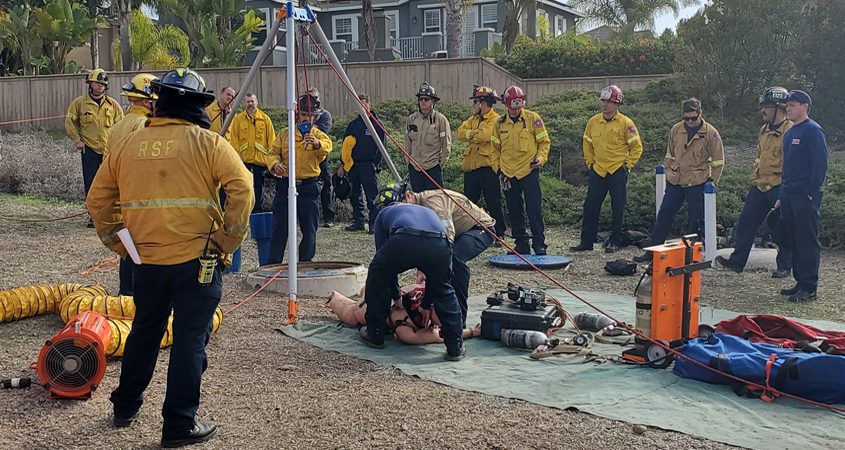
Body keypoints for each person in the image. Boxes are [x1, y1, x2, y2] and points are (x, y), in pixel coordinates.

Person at [86, 68, 254, 448]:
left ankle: (125, 406)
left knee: (145, 332)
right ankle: (179, 425)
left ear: (158, 103)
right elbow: (243, 188)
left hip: (145, 262)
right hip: (199, 261)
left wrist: (120, 243)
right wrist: (226, 240)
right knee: (190, 341)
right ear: (197, 105)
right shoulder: (208, 143)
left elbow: (97, 201)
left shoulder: (127, 146)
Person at [360, 182, 465, 361]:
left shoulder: (384, 215)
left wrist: (396, 296)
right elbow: (434, 278)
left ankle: (376, 334)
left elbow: (384, 266)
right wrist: (426, 304)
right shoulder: (425, 210)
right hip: (440, 242)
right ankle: (455, 346)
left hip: (405, 238)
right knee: (444, 290)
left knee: (377, 276)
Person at [633, 98, 724, 262]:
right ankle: (652, 253)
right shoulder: (676, 129)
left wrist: (713, 181)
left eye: (693, 118)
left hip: (697, 181)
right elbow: (669, 154)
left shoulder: (711, 133)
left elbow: (718, 161)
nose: (690, 121)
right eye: (686, 118)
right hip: (676, 180)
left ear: (700, 114)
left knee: (694, 221)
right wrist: (668, 171)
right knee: (664, 214)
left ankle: (690, 257)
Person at [716, 88, 792, 277]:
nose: (763, 111)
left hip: (778, 186)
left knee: (782, 227)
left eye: (766, 106)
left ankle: (784, 266)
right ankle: (737, 262)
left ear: (778, 107)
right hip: (759, 185)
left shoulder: (790, 131)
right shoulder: (764, 130)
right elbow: (760, 157)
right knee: (746, 223)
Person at [404, 188, 495, 328]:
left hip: (480, 228)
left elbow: (446, 240)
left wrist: (427, 301)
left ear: (409, 195)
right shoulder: (417, 211)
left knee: (455, 260)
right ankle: (444, 309)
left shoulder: (433, 202)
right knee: (440, 264)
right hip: (460, 232)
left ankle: (459, 321)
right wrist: (422, 268)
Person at [103, 73, 160, 296]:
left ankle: (125, 296)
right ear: (148, 100)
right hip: (145, 198)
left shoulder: (117, 127)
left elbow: (106, 167)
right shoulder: (147, 126)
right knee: (146, 252)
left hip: (122, 196)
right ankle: (141, 299)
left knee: (128, 249)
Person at [571, 85, 643, 253]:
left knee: (618, 207)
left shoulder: (626, 123)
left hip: (617, 170)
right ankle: (586, 242)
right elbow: (587, 144)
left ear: (617, 104)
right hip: (598, 170)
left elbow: (637, 147)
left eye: (609, 102)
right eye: (603, 101)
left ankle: (615, 241)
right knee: (590, 206)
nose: (605, 105)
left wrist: (627, 165)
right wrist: (590, 163)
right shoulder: (593, 122)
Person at [266, 94, 333, 264]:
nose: (307, 118)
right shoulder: (285, 133)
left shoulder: (318, 135)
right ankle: (273, 265)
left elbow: (326, 149)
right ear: (297, 114)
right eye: (304, 114)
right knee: (279, 228)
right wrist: (275, 165)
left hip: (309, 187)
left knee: (309, 229)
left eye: (310, 115)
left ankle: (305, 263)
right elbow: (272, 153)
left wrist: (316, 143)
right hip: (285, 186)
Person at [776, 90, 828, 303]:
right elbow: (786, 168)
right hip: (789, 195)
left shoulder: (813, 131)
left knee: (807, 241)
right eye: (787, 105)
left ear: (805, 106)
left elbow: (820, 165)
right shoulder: (790, 133)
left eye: (793, 105)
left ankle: (809, 287)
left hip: (804, 196)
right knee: (794, 240)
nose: (788, 108)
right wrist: (781, 195)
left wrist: (810, 192)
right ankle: (800, 282)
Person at [493, 85, 551, 255]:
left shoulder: (533, 119)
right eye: (513, 106)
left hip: (529, 171)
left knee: (534, 209)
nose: (516, 110)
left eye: (519, 106)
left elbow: (544, 142)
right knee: (514, 210)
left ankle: (539, 244)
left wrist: (541, 159)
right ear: (506, 105)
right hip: (508, 174)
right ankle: (521, 244)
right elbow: (494, 149)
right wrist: (498, 170)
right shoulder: (499, 123)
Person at [65, 68, 125, 226]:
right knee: (91, 184)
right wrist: (77, 140)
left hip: (109, 150)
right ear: (89, 84)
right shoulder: (78, 104)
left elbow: (122, 125)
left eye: (102, 84)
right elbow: (70, 123)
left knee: (111, 184)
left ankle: (113, 215)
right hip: (89, 149)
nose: (100, 86)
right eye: (97, 83)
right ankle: (93, 216)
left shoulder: (113, 105)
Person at [326, 285, 481, 344]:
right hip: (369, 309)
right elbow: (436, 336)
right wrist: (470, 332)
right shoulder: (406, 323)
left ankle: (365, 289)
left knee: (369, 290)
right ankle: (334, 297)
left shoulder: (431, 293)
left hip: (385, 293)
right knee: (353, 316)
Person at [457, 85, 506, 243]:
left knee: (493, 201)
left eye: (476, 101)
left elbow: (484, 135)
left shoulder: (495, 119)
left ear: (483, 102)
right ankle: (470, 230)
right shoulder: (472, 119)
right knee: (469, 203)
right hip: (471, 168)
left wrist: (471, 134)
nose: (474, 105)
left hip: (487, 167)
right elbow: (460, 133)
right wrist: (473, 134)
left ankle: (499, 233)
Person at [338, 94, 386, 233]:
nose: (363, 107)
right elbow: (345, 145)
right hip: (354, 165)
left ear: (369, 105)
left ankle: (373, 224)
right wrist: (343, 164)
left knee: (372, 196)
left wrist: (376, 164)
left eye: (365, 104)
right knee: (355, 194)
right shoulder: (353, 125)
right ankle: (358, 222)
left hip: (368, 165)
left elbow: (383, 146)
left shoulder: (376, 124)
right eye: (360, 105)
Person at [230, 93, 276, 213]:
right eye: (248, 102)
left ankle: (257, 210)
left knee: (258, 187)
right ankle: (244, 209)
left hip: (260, 161)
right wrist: (237, 157)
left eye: (252, 101)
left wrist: (271, 160)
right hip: (244, 160)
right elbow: (234, 139)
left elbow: (272, 141)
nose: (250, 104)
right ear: (245, 103)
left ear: (257, 102)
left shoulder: (265, 119)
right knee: (243, 186)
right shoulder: (238, 119)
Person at [405, 83, 452, 192]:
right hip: (415, 169)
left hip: (433, 169)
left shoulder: (441, 120)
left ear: (433, 101)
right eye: (421, 99)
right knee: (417, 204)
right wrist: (409, 162)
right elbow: (407, 144)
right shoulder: (411, 119)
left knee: (434, 203)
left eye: (426, 99)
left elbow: (446, 145)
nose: (423, 102)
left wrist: (440, 164)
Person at [307, 87, 336, 228]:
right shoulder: (301, 114)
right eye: (310, 98)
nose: (314, 101)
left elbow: (321, 132)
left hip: (321, 154)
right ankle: (311, 216)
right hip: (305, 155)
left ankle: (328, 217)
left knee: (326, 185)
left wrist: (311, 127)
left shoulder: (325, 115)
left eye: (315, 98)